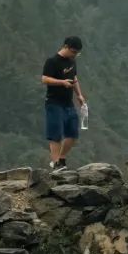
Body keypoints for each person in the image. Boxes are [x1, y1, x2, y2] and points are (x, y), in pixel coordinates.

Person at [41, 35, 85, 170]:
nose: (75, 55)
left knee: (72, 133)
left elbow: (74, 78)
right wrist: (61, 82)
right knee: (56, 133)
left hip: (68, 102)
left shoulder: (72, 61)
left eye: (77, 53)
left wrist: (79, 95)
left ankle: (62, 158)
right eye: (73, 51)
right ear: (65, 47)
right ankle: (55, 163)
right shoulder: (52, 61)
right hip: (54, 101)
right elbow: (45, 79)